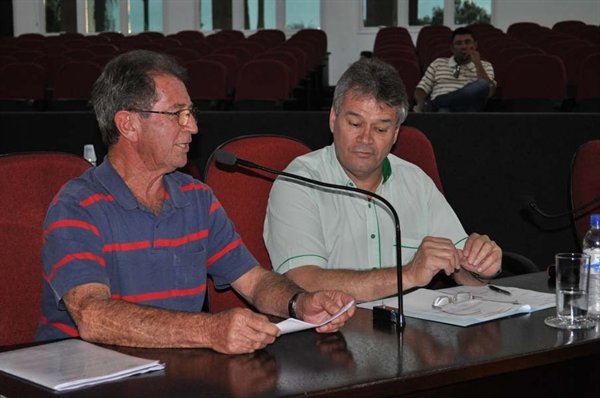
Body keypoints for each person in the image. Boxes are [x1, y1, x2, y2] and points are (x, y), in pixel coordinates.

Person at [35, 50, 355, 354]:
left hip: (173, 375)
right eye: (179, 114)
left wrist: (299, 303)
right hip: (86, 381)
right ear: (128, 124)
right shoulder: (76, 206)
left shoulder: (196, 199)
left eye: (191, 113)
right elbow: (93, 318)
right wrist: (208, 331)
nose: (193, 127)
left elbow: (255, 282)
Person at [264, 57, 502, 303]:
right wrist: (408, 274)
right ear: (333, 120)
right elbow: (301, 281)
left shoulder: (416, 181)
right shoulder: (299, 182)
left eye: (380, 129)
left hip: (410, 334)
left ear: (396, 133)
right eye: (355, 123)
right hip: (329, 334)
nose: (365, 139)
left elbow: (465, 273)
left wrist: (480, 266)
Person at [413, 27, 496, 112]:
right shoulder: (438, 63)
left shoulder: (485, 66)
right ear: (452, 48)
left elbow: (489, 91)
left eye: (467, 42)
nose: (463, 47)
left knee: (483, 84)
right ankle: (440, 104)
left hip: (470, 109)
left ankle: (435, 103)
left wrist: (477, 63)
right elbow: (421, 89)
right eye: (458, 43)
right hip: (443, 110)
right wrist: (420, 104)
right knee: (444, 110)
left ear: (475, 45)